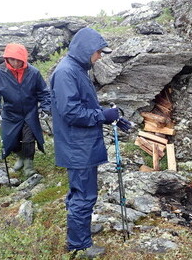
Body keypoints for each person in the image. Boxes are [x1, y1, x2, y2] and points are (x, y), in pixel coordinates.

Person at [50, 27, 131, 258]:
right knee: (84, 195)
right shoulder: (67, 72)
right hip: (78, 147)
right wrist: (102, 116)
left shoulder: (77, 69)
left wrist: (111, 117)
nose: (100, 56)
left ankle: (80, 228)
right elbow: (71, 112)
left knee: (80, 193)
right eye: (98, 52)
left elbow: (83, 105)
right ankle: (79, 244)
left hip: (81, 144)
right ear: (86, 50)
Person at [0, 43, 51, 177]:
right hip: (10, 112)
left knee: (29, 138)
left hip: (30, 112)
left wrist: (45, 108)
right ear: (7, 58)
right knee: (10, 139)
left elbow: (44, 92)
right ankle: (21, 157)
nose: (16, 62)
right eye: (12, 59)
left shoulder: (33, 72)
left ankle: (29, 165)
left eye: (19, 60)